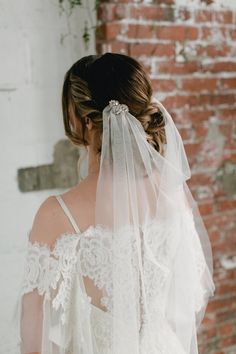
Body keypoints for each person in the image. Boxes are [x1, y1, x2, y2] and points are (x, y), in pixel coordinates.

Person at [13, 53, 215, 354]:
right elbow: (190, 295)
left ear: (83, 121)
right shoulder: (171, 195)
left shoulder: (57, 214)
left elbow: (33, 341)